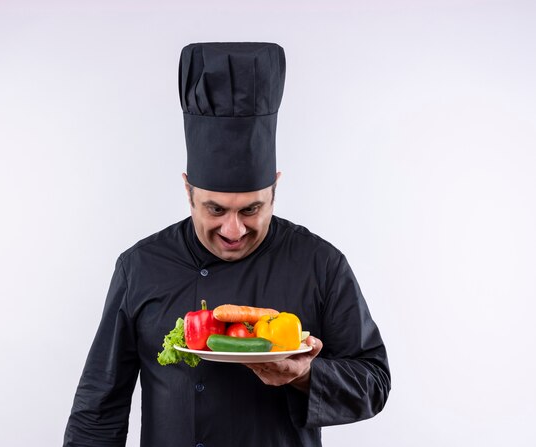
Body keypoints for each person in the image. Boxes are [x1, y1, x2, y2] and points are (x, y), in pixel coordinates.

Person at [63, 42, 390, 447]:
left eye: (252, 209)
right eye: (215, 209)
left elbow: (374, 382)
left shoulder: (319, 263)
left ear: (275, 189)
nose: (233, 230)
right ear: (188, 191)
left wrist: (305, 375)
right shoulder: (140, 266)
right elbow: (99, 409)